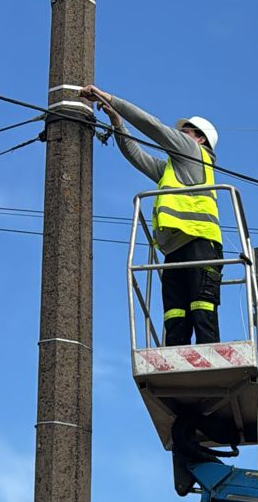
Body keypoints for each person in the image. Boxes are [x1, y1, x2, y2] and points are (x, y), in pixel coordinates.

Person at [84, 87, 224, 344]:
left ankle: (211, 360)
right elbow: (136, 155)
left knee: (202, 314)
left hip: (200, 243)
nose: (179, 135)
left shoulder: (193, 153)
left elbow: (154, 127)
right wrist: (117, 122)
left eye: (185, 132)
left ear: (200, 139)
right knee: (175, 318)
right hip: (175, 248)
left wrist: (110, 99)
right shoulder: (173, 169)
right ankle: (177, 363)